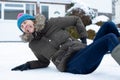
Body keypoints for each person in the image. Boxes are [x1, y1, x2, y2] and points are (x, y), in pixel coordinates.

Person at [11, 13, 120, 74]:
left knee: (109, 25)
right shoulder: (33, 44)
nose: (25, 26)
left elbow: (75, 20)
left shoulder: (52, 23)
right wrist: (29, 65)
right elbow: (43, 62)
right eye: (22, 27)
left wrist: (83, 39)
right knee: (109, 38)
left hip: (84, 53)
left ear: (32, 20)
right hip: (71, 64)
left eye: (25, 22)